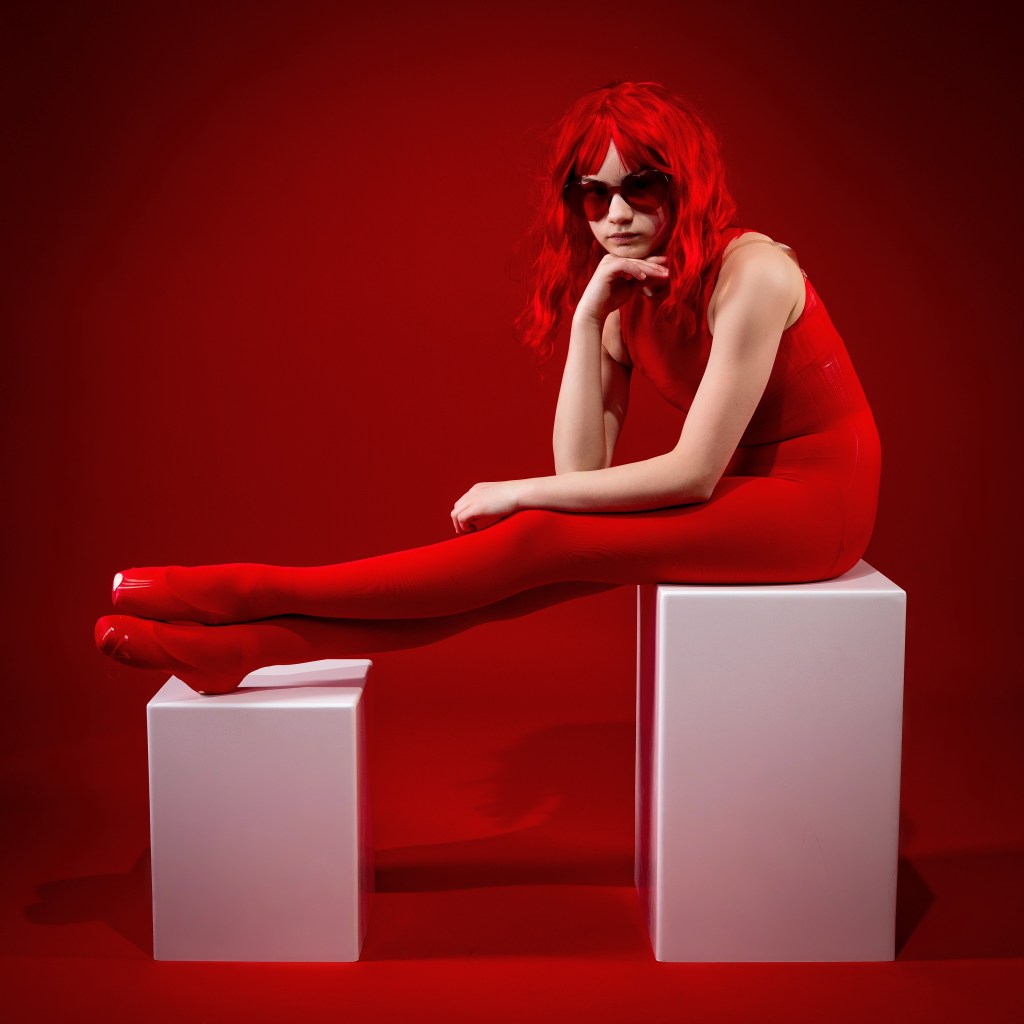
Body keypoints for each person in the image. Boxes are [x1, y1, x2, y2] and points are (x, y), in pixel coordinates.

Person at [94, 81, 880, 695]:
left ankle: (245, 593)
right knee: (549, 556)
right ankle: (245, 648)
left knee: (540, 539)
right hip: (745, 497)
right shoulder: (622, 297)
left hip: (819, 502)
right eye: (593, 193)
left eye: (641, 185)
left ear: (686, 182)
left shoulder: (754, 273)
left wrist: (514, 492)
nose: (616, 213)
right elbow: (584, 480)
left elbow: (692, 473)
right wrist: (586, 320)